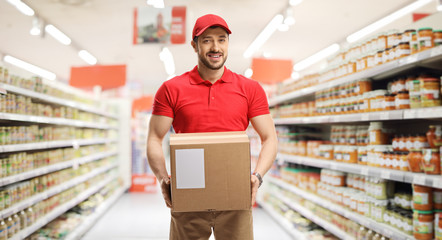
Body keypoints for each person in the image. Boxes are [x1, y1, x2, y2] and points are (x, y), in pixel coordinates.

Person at [147, 14, 278, 240]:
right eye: (207, 40)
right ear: (194, 45)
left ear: (228, 43)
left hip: (235, 192)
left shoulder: (250, 89)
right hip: (188, 192)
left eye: (221, 39)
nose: (215, 47)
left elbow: (270, 138)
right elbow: (154, 138)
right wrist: (163, 178)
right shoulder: (171, 89)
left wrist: (258, 176)